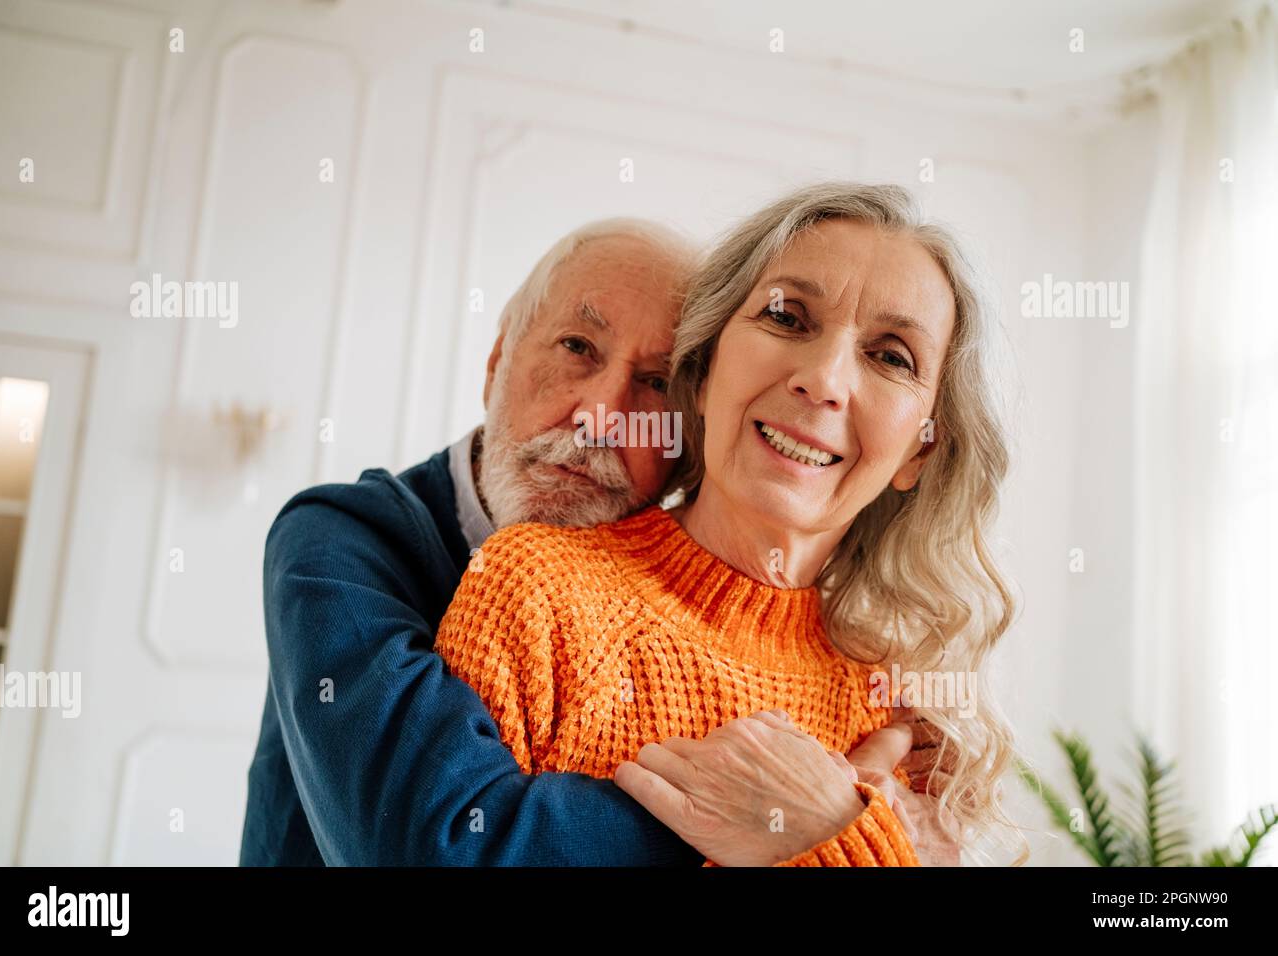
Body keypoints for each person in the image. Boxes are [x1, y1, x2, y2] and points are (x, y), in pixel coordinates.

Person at [240, 215, 949, 865]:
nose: (602, 418)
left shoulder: (851, 658)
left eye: (654, 381)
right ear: (497, 360)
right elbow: (430, 846)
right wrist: (790, 818)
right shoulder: (341, 539)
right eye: (577, 347)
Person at [436, 182, 1018, 866]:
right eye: (789, 317)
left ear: (920, 449)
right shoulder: (534, 587)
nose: (824, 378)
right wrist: (836, 843)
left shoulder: (903, 704)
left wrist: (834, 835)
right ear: (706, 370)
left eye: (891, 356)